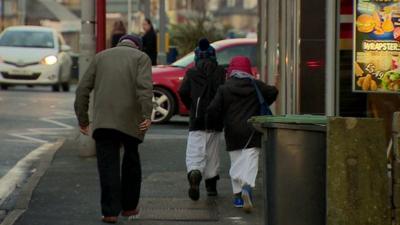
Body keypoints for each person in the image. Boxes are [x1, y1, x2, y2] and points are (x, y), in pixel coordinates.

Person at [74, 34, 153, 223]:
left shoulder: (100, 57)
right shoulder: (141, 58)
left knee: (107, 166)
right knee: (131, 162)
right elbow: (144, 89)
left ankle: (109, 212)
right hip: (130, 122)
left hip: (104, 123)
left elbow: (82, 89)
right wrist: (146, 115)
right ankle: (129, 208)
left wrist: (83, 119)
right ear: (138, 47)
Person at [207, 56, 278, 213]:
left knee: (236, 161)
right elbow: (273, 92)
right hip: (252, 129)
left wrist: (215, 122)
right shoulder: (256, 85)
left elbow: (212, 109)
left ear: (232, 70)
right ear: (248, 69)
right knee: (250, 160)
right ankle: (247, 186)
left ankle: (238, 197)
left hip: (232, 131)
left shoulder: (224, 88)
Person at [178, 38, 225, 201]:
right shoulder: (220, 72)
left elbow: (182, 91)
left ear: (197, 57)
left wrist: (191, 106)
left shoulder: (191, 72)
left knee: (194, 152)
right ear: (213, 56)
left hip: (197, 118)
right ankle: (211, 187)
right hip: (216, 118)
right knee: (213, 153)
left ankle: (195, 173)